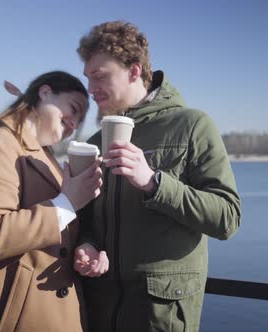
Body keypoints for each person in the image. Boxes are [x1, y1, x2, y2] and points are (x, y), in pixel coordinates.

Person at [73, 21, 242, 331]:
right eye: (88, 78)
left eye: (100, 76)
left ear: (134, 71)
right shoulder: (96, 142)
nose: (91, 89)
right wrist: (86, 244)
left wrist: (153, 182)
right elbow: (85, 220)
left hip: (161, 315)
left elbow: (227, 218)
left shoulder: (192, 125)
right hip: (99, 309)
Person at [0, 71, 103, 332]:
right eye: (73, 109)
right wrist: (66, 204)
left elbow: (60, 226)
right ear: (45, 92)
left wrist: (86, 246)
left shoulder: (42, 154)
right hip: (11, 318)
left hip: (45, 310)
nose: (74, 124)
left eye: (79, 120)